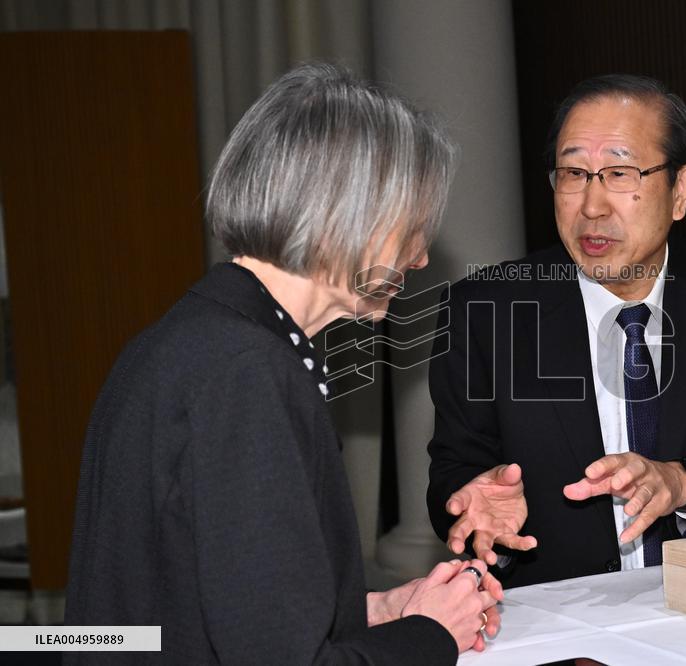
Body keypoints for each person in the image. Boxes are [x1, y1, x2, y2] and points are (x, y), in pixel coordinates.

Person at [65, 63, 501, 664]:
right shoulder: (247, 373)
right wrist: (431, 636)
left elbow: (203, 611)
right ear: (347, 215)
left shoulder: (190, 342)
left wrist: (383, 613)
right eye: (412, 227)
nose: (422, 257)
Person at [427, 74, 686, 588]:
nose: (592, 206)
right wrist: (479, 510)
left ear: (680, 190)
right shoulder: (487, 312)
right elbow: (455, 475)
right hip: (562, 621)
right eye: (573, 173)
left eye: (620, 173)